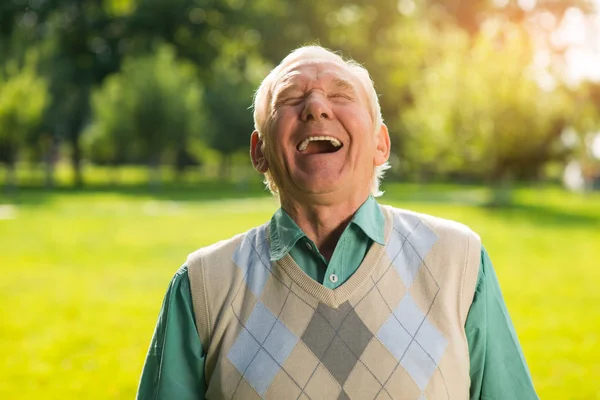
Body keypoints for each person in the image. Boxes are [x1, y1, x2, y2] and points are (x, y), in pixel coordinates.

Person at [136, 45, 539, 400]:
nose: (315, 106)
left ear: (381, 143)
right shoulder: (202, 285)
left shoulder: (459, 261)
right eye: (291, 97)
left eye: (340, 94)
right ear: (259, 152)